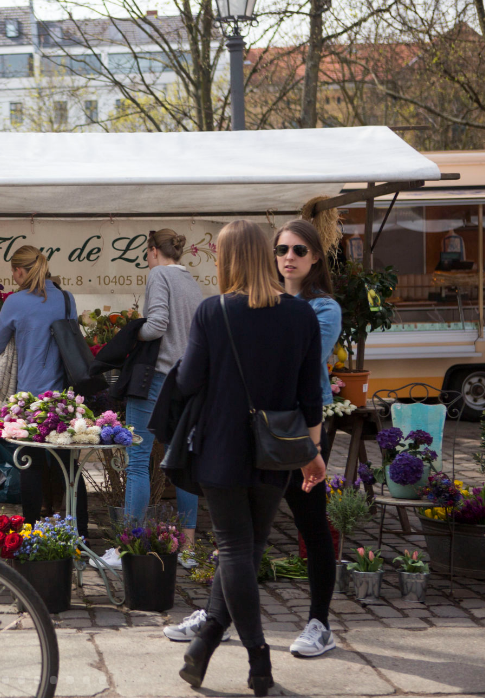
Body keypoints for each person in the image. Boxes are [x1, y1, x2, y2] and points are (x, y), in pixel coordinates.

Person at [173, 220, 326, 695]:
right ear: (265, 254)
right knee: (247, 550)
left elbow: (187, 382)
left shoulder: (213, 311)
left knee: (236, 552)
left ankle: (259, 658)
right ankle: (203, 647)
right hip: (276, 451)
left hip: (221, 449)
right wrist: (313, 453)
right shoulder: (301, 316)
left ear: (228, 259)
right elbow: (310, 396)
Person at [274, 219, 343, 658]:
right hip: (262, 423)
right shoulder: (265, 300)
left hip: (303, 424)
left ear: (315, 257)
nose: (290, 257)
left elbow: (297, 361)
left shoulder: (324, 308)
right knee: (243, 527)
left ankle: (320, 622)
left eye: (300, 250)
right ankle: (218, 614)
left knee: (311, 523)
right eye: (283, 249)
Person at [0, 245, 88, 534]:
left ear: (20, 271)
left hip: (28, 399)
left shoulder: (15, 302)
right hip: (63, 398)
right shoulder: (67, 298)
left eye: (14, 271)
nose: (14, 277)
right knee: (68, 467)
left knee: (30, 464)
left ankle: (30, 532)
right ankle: (80, 533)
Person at [122, 229, 202, 569]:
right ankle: (187, 547)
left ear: (154, 251)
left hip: (156, 378)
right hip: (186, 380)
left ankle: (131, 543)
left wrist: (131, 333)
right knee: (181, 461)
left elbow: (156, 325)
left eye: (146, 253)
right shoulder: (191, 281)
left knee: (138, 459)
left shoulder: (157, 274)